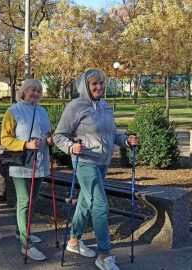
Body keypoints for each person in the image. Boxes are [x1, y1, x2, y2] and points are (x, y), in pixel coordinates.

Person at [53, 69, 139, 270]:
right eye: (94, 84)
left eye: (101, 84)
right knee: (100, 206)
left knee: (85, 202)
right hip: (85, 162)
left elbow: (113, 134)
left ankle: (74, 241)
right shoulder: (75, 107)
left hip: (103, 162)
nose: (99, 87)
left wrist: (126, 141)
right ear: (86, 86)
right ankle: (104, 254)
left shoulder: (105, 106)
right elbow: (59, 136)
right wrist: (71, 147)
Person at [0, 79, 53, 260]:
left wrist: (49, 139)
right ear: (23, 92)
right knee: (25, 200)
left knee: (33, 199)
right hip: (21, 162)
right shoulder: (13, 111)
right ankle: (26, 243)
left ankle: (20, 231)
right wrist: (25, 144)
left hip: (39, 162)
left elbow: (47, 132)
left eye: (39, 91)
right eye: (32, 90)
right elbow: (5, 139)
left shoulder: (42, 111)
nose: (36, 93)